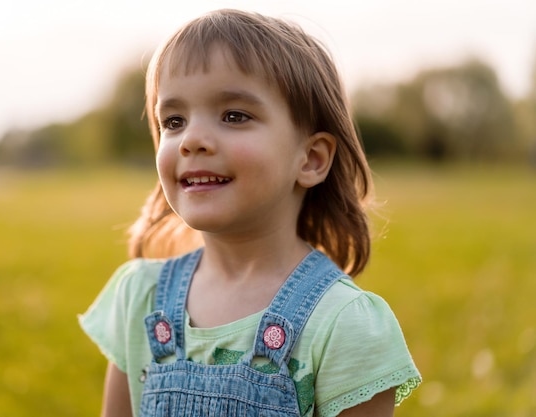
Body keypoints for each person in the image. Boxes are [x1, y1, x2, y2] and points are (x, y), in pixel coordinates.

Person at [79, 8, 421, 417]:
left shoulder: (342, 326)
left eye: (234, 116)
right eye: (174, 120)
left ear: (311, 159)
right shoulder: (140, 300)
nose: (192, 139)